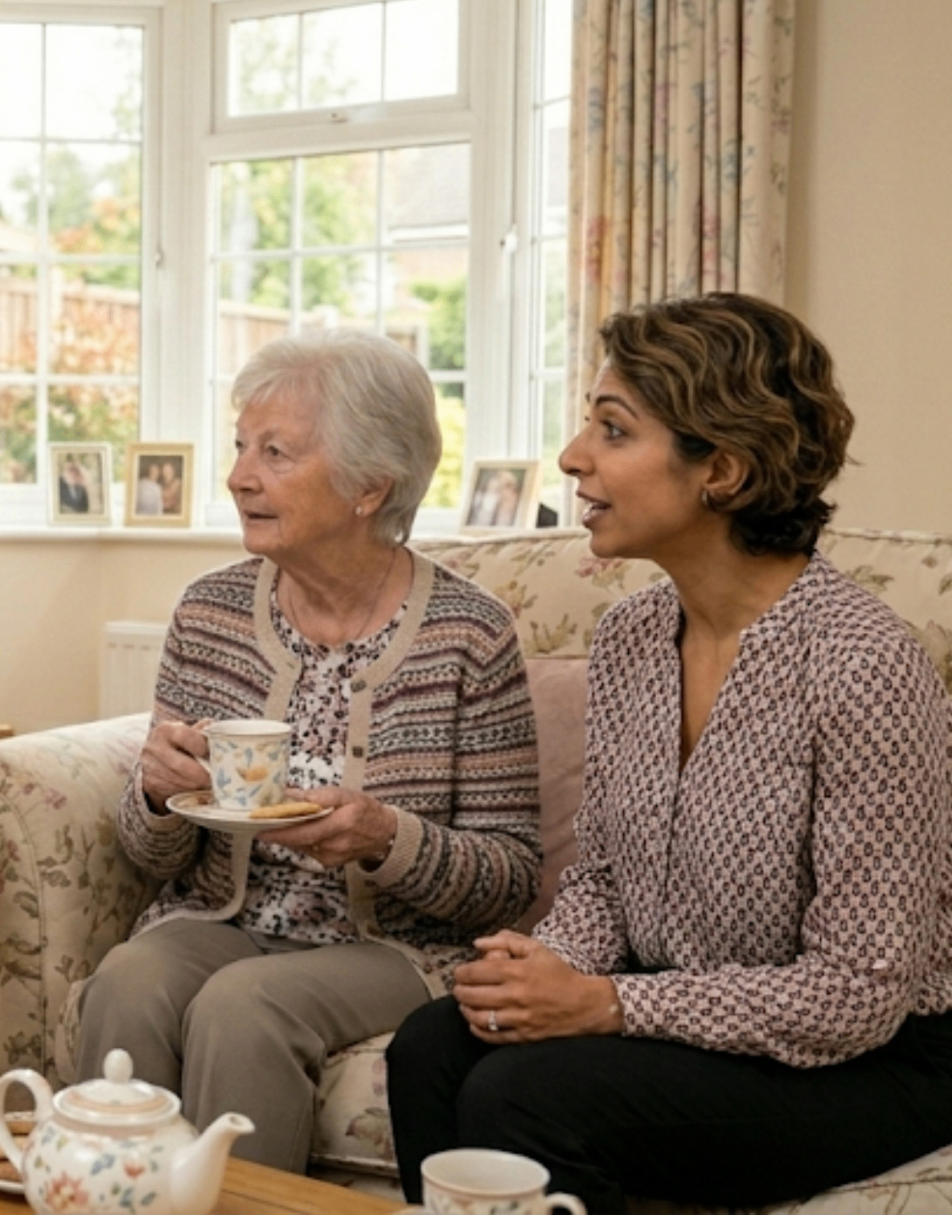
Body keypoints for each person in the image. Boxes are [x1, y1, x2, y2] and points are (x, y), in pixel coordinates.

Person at [386, 294, 952, 1215]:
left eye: (614, 430)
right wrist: (540, 976)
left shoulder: (864, 666)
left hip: (881, 1051)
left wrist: (606, 1005)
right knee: (435, 1045)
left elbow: (857, 993)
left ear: (720, 470)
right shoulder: (634, 636)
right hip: (684, 1002)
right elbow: (605, 881)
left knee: (518, 1097)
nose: (573, 456)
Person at [74, 328, 541, 1173]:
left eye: (276, 452)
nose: (239, 475)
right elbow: (152, 853)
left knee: (244, 1006)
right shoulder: (209, 612)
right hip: (225, 918)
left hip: (391, 945)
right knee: (128, 978)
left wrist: (384, 838)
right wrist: (155, 793)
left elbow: (509, 876)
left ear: (369, 485)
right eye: (242, 446)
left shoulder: (469, 633)